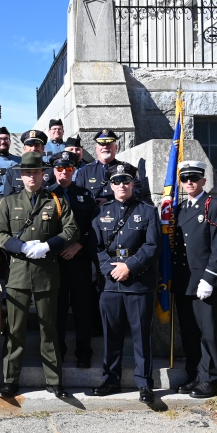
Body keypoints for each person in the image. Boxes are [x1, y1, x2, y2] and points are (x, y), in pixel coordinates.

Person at [0, 152, 79, 399]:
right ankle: (10, 380)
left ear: (43, 174)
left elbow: (72, 229)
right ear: (21, 175)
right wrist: (20, 247)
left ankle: (53, 380)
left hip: (47, 273)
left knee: (48, 330)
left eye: (35, 172)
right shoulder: (8, 202)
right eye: (26, 172)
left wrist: (49, 245)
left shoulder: (56, 201)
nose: (31, 176)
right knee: (15, 330)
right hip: (17, 273)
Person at [89, 165, 161, 404]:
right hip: (110, 284)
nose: (122, 185)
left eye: (126, 181)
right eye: (117, 181)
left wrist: (129, 266)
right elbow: (97, 247)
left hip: (139, 283)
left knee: (141, 336)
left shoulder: (148, 211)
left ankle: (144, 384)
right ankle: (110, 379)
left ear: (133, 185)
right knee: (111, 335)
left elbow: (152, 247)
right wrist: (111, 269)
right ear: (111, 185)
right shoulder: (101, 212)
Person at [173, 160, 217, 399]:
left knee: (208, 333)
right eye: (185, 178)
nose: (189, 182)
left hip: (207, 284)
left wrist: (209, 278)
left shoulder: (216, 206)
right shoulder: (181, 209)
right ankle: (195, 375)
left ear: (203, 181)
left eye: (194, 178)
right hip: (185, 282)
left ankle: (212, 378)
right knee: (189, 333)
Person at [47, 151, 97, 368]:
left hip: (80, 260)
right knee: (56, 310)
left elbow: (93, 227)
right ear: (53, 170)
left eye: (68, 169)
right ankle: (57, 351)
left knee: (82, 309)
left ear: (74, 171)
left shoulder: (85, 195)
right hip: (55, 262)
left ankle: (83, 352)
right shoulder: (46, 196)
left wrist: (79, 245)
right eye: (59, 169)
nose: (63, 173)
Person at [75, 129, 140, 206]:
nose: (105, 147)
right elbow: (78, 197)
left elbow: (137, 193)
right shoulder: (84, 172)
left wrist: (109, 200)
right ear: (96, 149)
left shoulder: (127, 170)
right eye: (101, 144)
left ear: (116, 148)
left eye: (109, 144)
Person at [2, 130, 53, 196]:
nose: (33, 149)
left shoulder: (52, 170)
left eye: (37, 145)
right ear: (24, 148)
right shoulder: (13, 171)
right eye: (30, 145)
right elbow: (8, 198)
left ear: (43, 148)